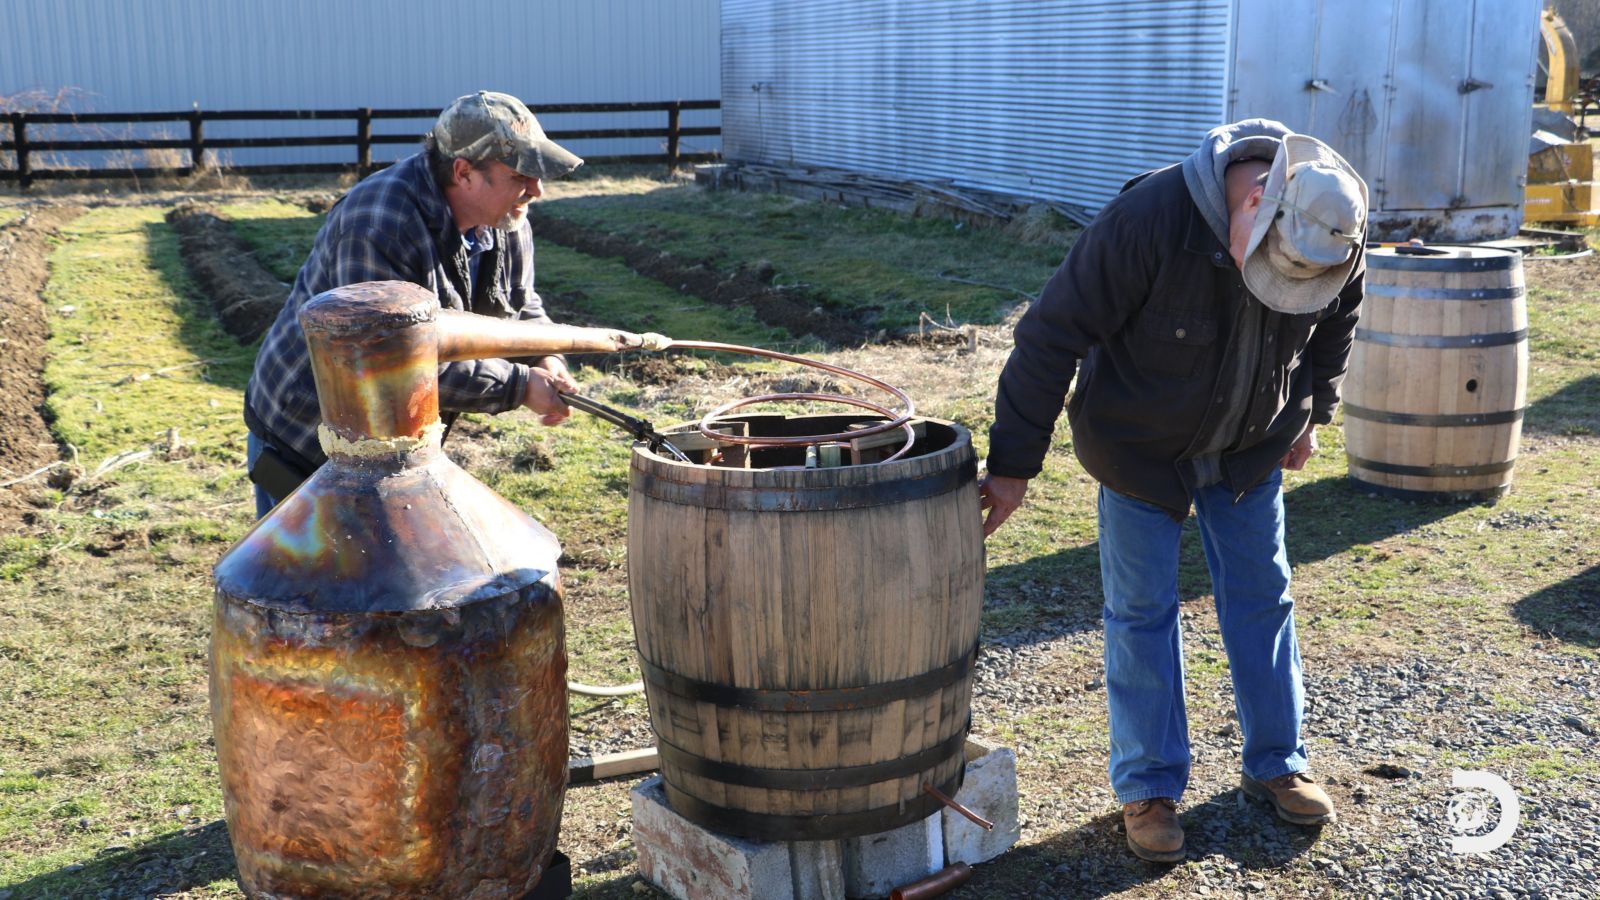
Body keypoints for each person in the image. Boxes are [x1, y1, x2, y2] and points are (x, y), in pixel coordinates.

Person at [980, 120, 1367, 863]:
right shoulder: (1145, 220)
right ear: (1256, 198)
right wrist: (1012, 467)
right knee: (1141, 610)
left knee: (1264, 597)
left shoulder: (1333, 218)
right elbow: (1048, 337)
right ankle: (1150, 786)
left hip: (1254, 443)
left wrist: (1314, 408)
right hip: (1138, 447)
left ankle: (1278, 763)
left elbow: (1339, 317)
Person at [243, 91, 584, 517]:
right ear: (463, 173)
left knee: (391, 566)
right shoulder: (378, 222)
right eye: (520, 175)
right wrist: (518, 385)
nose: (536, 190)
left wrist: (546, 354)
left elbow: (521, 304)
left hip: (394, 439)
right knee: (311, 577)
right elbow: (387, 366)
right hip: (309, 436)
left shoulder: (508, 218)